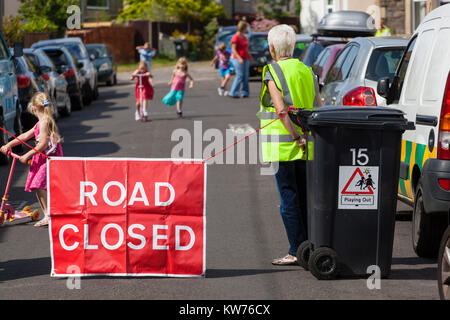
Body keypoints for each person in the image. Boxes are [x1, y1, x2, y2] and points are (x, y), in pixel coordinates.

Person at [259, 24, 322, 265]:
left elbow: (280, 110)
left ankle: (296, 250)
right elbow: (319, 106)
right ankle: (309, 245)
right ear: (293, 46)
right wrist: (307, 137)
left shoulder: (271, 71)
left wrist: (296, 137)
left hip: (284, 147)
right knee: (306, 198)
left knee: (288, 201)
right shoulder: (308, 71)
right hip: (310, 147)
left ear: (272, 47)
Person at [0, 92, 63, 227]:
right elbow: (24, 136)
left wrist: (27, 155)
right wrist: (8, 144)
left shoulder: (45, 122)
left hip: (48, 159)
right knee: (38, 186)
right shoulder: (40, 123)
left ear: (34, 108)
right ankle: (48, 213)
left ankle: (48, 214)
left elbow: (43, 144)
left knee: (39, 185)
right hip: (42, 159)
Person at [229, 21, 250, 99]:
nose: (246, 29)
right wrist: (239, 58)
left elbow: (246, 48)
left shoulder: (244, 36)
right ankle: (233, 92)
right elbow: (233, 49)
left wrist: (250, 56)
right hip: (237, 59)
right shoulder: (235, 37)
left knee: (246, 76)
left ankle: (245, 92)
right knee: (239, 75)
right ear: (243, 28)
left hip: (245, 58)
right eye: (246, 28)